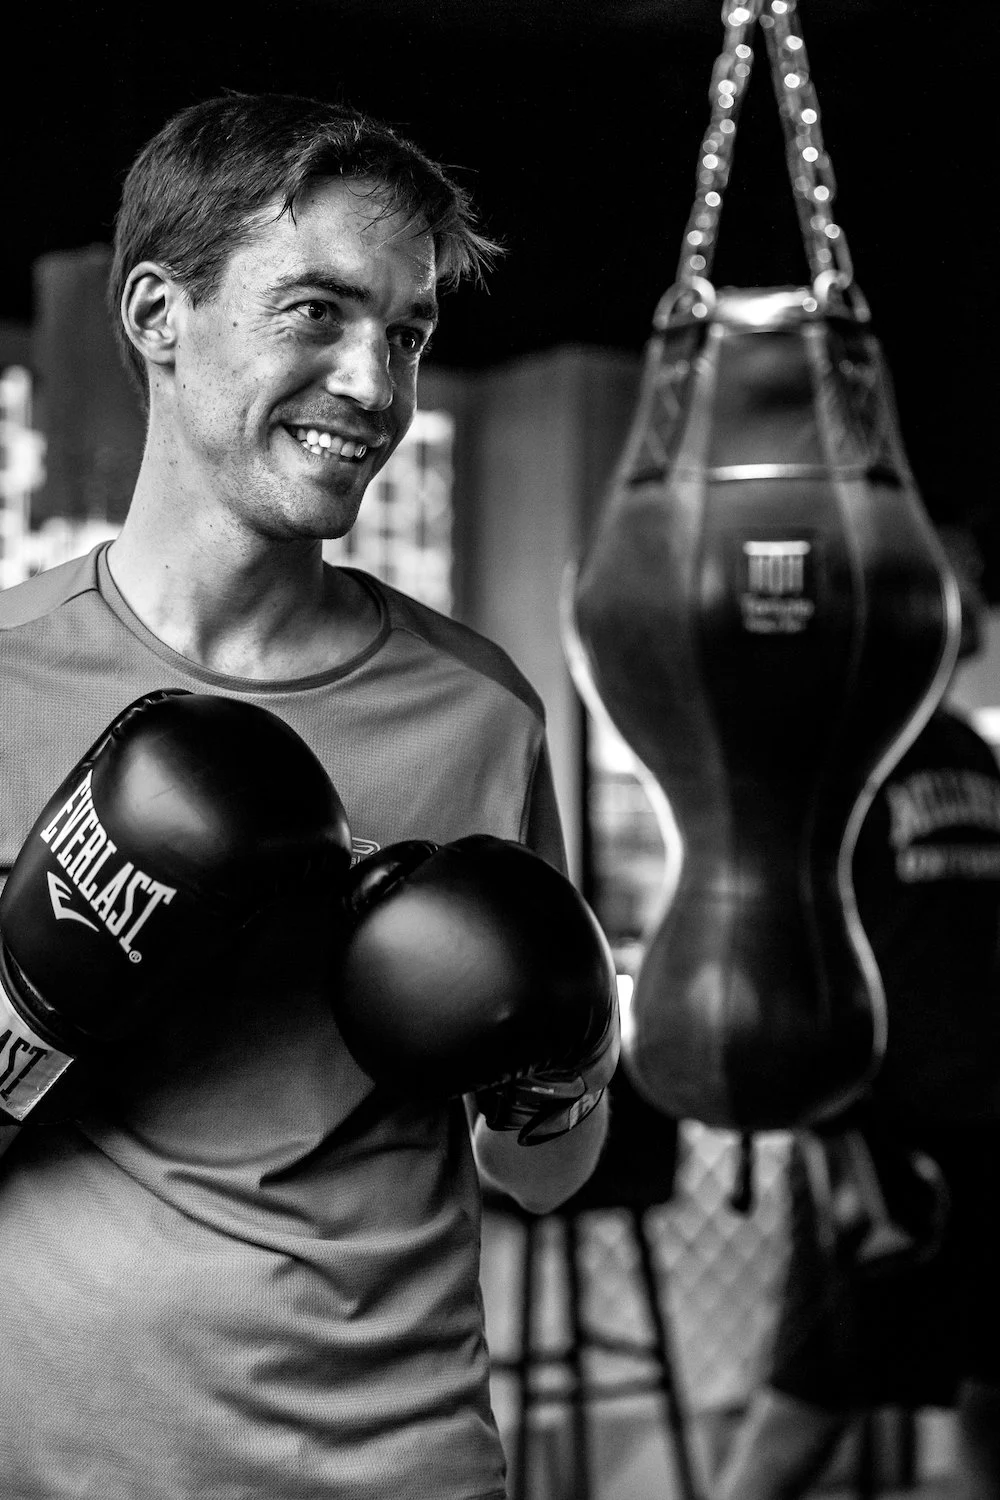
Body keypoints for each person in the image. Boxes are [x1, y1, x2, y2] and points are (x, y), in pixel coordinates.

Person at [0, 91, 610, 1500]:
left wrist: (561, 1065)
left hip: (396, 1470)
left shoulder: (476, 711)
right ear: (159, 313)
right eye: (317, 313)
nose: (374, 385)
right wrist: (32, 984)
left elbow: (545, 1180)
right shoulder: (11, 686)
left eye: (405, 332)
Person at [714, 533, 1000, 1500]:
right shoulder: (838, 758)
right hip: (879, 1133)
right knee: (809, 1408)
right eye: (943, 591)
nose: (965, 610)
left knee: (995, 1398)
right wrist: (832, 1126)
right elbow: (784, 953)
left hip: (985, 1130)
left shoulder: (974, 756)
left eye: (969, 594)